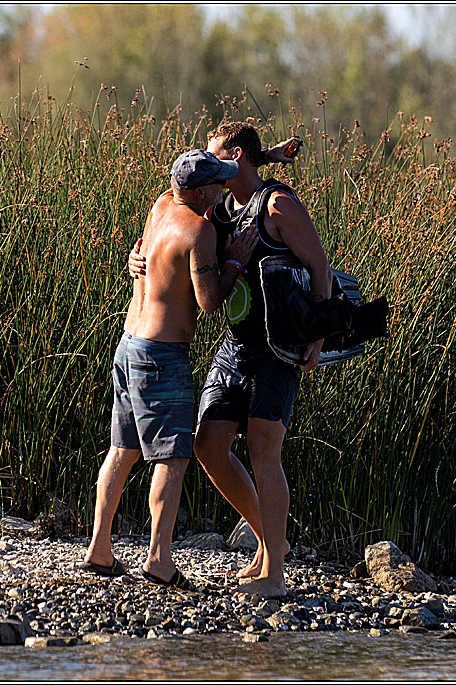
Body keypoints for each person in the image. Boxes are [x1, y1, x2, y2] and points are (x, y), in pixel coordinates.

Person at [130, 123, 326, 597]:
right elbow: (175, 203)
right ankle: (266, 542)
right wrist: (137, 254)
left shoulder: (278, 206)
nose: (212, 167)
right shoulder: (218, 207)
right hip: (236, 346)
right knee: (207, 446)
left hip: (277, 349)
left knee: (264, 453)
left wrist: (316, 338)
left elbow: (319, 265)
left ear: (235, 157)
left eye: (219, 158)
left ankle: (274, 577)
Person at [79, 147, 259, 591]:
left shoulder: (161, 203)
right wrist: (234, 259)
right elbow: (209, 301)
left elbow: (150, 257)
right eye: (217, 183)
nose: (223, 189)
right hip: (162, 356)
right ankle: (159, 561)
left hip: (128, 345)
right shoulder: (199, 232)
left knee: (122, 451)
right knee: (174, 457)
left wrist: (266, 155)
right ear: (200, 192)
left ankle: (99, 551)